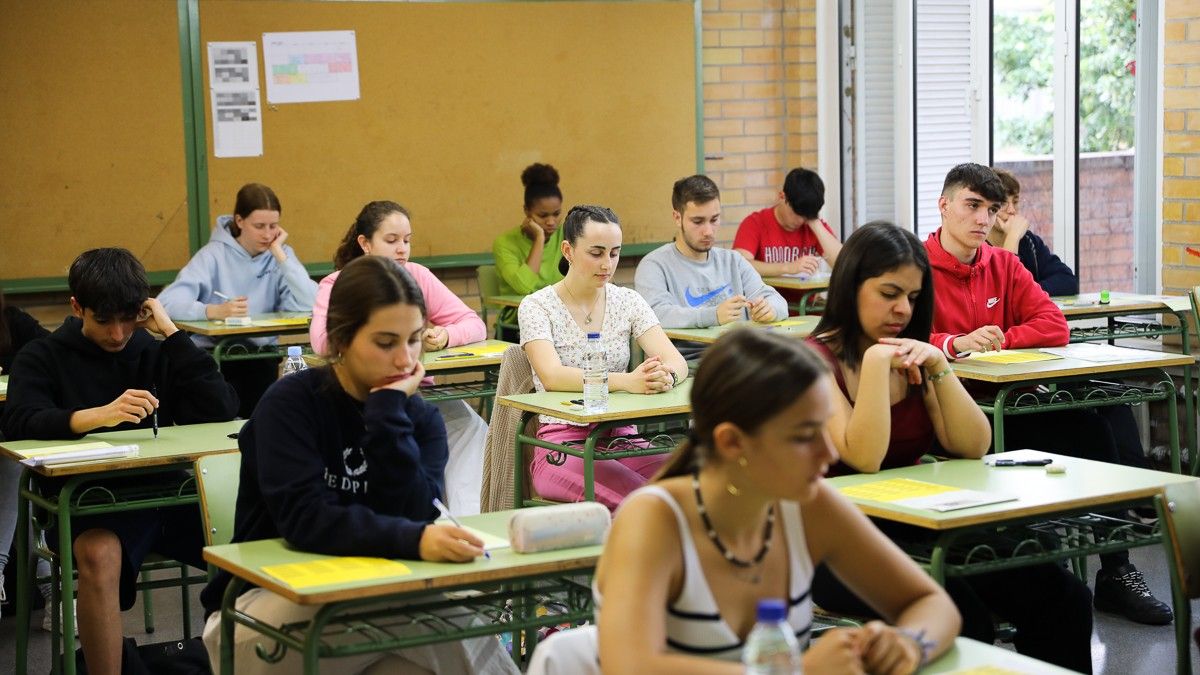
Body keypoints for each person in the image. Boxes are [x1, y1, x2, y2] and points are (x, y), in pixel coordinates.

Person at [200, 255, 517, 674]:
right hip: (264, 605)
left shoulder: (418, 418)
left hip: (375, 595)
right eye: (386, 343)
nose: (405, 360)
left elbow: (416, 512)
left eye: (415, 339)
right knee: (440, 624)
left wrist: (387, 413)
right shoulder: (290, 404)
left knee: (420, 646)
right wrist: (413, 540)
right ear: (339, 340)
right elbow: (306, 520)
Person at [579, 328, 960, 673]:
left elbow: (931, 602)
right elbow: (629, 665)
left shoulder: (808, 503)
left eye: (824, 428)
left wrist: (909, 643)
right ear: (732, 443)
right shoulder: (653, 519)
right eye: (803, 436)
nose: (829, 452)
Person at [806, 221, 1094, 672]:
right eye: (888, 293)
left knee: (1062, 595)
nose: (903, 309)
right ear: (850, 287)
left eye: (915, 298)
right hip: (836, 541)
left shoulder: (914, 352)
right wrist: (879, 366)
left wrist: (940, 364)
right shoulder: (814, 361)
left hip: (919, 521)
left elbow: (974, 444)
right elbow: (863, 457)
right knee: (964, 619)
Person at [927, 162, 1172, 626]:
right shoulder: (916, 265)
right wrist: (953, 344)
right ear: (944, 205)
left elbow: (1054, 324)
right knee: (1017, 455)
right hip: (952, 415)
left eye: (992, 209)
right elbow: (907, 336)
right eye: (972, 205)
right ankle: (1036, 561)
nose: (983, 219)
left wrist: (1001, 336)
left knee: (1094, 431)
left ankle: (1116, 572)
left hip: (1013, 404)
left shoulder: (1003, 262)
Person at [2, 248, 239, 675]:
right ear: (77, 308)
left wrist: (171, 332)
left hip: (169, 494)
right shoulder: (43, 355)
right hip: (86, 505)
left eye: (128, 318)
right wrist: (94, 416)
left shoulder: (153, 348)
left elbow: (221, 408)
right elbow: (18, 421)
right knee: (99, 552)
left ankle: (230, 662)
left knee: (247, 532)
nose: (117, 334)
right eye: (103, 320)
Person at [310, 200, 489, 516]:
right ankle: (435, 521)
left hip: (419, 395)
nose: (402, 249)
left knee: (470, 426)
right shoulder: (340, 284)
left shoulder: (416, 274)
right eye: (391, 241)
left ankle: (466, 521)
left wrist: (446, 335)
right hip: (361, 401)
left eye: (407, 240)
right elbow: (324, 342)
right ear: (365, 243)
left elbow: (473, 323)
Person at [519, 205, 688, 509]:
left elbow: (676, 361)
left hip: (621, 436)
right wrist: (628, 381)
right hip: (561, 445)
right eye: (596, 253)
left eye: (614, 253)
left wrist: (665, 377)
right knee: (648, 504)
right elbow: (551, 376)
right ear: (568, 250)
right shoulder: (537, 306)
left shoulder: (628, 300)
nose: (607, 264)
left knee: (687, 488)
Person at [159, 183, 318, 417]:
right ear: (239, 221)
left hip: (262, 355)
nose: (267, 234)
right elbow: (166, 303)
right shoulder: (213, 255)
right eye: (259, 226)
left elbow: (312, 301)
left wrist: (281, 256)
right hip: (215, 357)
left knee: (264, 396)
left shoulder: (280, 256)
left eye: (273, 226)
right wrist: (212, 311)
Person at [635, 175, 788, 362]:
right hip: (688, 364)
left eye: (714, 219)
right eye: (698, 222)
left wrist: (770, 309)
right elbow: (657, 315)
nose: (708, 231)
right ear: (677, 217)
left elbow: (777, 301)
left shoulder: (733, 260)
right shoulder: (654, 265)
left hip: (742, 359)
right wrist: (713, 315)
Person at [0, 290, 50, 621]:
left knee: (16, 462)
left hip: (8, 438)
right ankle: (54, 594)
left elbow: (50, 355)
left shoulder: (13, 321)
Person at [733, 167, 842, 309]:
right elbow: (740, 265)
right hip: (766, 311)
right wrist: (788, 267)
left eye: (806, 216)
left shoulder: (811, 222)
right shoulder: (755, 223)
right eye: (797, 213)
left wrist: (815, 222)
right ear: (782, 197)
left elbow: (844, 264)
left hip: (806, 309)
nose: (801, 220)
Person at [492, 163, 566, 341]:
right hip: (517, 322)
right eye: (542, 215)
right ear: (526, 211)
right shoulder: (505, 243)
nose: (551, 222)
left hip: (561, 317)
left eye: (556, 214)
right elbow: (524, 287)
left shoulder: (567, 235)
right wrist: (539, 239)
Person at [986, 167, 1078, 296]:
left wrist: (1028, 292)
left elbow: (1068, 281)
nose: (1012, 210)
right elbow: (1002, 292)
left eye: (1016, 202)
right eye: (1002, 204)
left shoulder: (1028, 240)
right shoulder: (977, 246)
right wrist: (1012, 237)